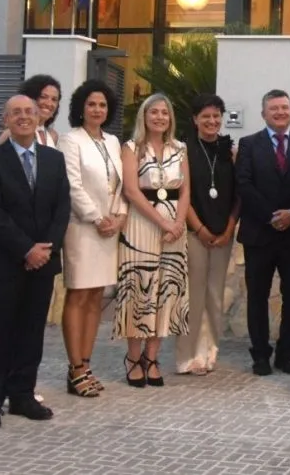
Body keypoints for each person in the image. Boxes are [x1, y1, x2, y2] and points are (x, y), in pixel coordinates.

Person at [0, 95, 71, 430]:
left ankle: (22, 395)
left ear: (39, 118)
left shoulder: (54, 160)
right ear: (5, 119)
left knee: (32, 332)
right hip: (5, 263)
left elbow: (62, 209)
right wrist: (26, 249)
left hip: (43, 262)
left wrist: (45, 248)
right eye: (16, 112)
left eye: (29, 112)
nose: (24, 117)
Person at [57, 80, 127, 398]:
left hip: (109, 229)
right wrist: (97, 218)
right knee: (79, 295)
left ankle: (86, 363)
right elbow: (72, 185)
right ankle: (75, 369)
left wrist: (119, 216)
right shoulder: (71, 141)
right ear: (80, 108)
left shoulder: (113, 141)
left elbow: (122, 183)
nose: (97, 109)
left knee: (96, 296)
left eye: (102, 105)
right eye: (91, 104)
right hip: (83, 228)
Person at [117, 93, 191, 388]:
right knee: (140, 291)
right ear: (144, 117)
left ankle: (153, 357)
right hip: (141, 225)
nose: (160, 117)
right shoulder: (131, 147)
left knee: (167, 292)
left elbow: (185, 190)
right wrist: (163, 222)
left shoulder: (180, 148)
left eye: (165, 112)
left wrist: (177, 224)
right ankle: (134, 359)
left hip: (175, 227)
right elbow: (132, 191)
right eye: (154, 112)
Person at [236, 90, 290, 376]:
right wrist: (271, 216)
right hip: (259, 234)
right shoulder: (248, 144)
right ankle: (260, 354)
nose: (280, 113)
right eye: (274, 108)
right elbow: (244, 184)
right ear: (263, 113)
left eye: (285, 108)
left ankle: (286, 354)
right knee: (257, 296)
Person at [179, 93, 239, 376]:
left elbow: (238, 196)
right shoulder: (184, 150)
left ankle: (210, 351)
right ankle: (188, 355)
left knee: (215, 294)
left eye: (216, 116)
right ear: (195, 120)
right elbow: (183, 195)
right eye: (206, 116)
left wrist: (229, 228)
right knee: (193, 294)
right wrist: (199, 228)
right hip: (194, 232)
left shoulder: (231, 151)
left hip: (224, 232)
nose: (212, 121)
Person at [0, 75, 62, 148]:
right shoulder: (12, 133)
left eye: (54, 99)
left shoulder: (52, 135)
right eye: (43, 97)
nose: (49, 103)